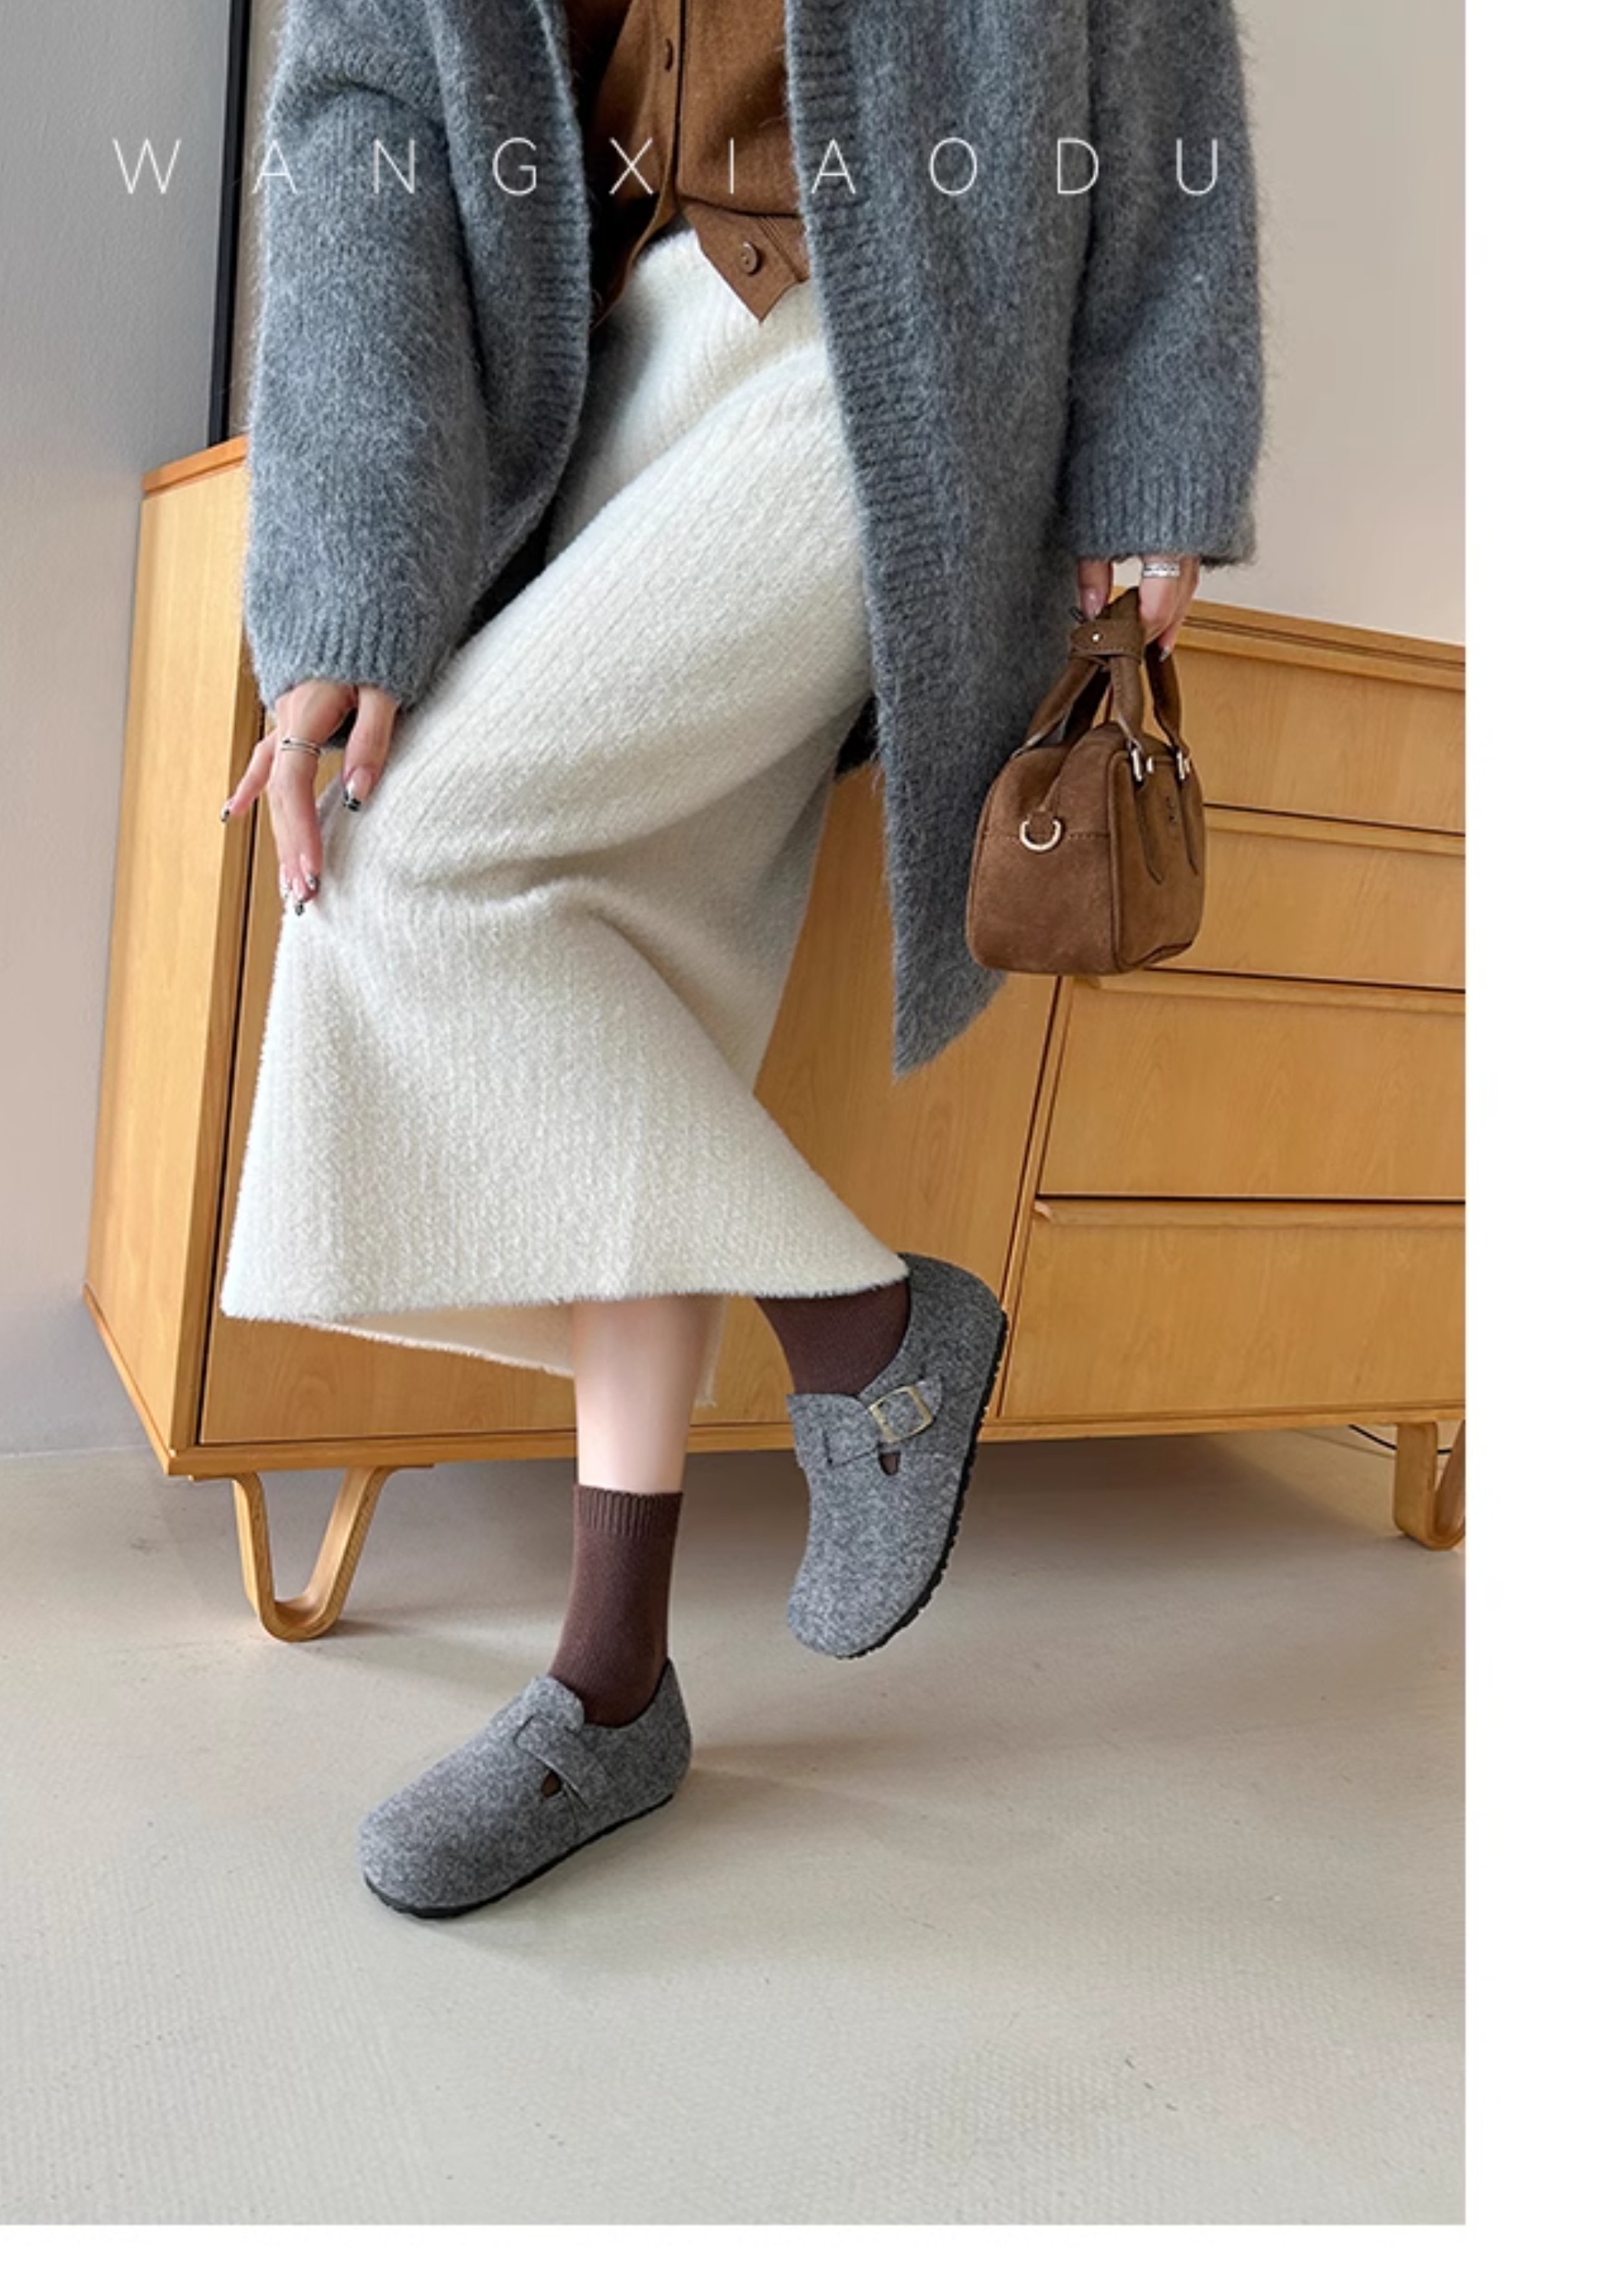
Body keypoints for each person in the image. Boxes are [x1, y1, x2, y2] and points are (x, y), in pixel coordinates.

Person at [218, 0, 1265, 1917]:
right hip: (602, 367)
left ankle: (865, 1334)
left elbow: (1155, 61)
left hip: (890, 357)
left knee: (410, 862)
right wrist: (347, 585)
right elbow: (369, 114)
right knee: (611, 963)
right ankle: (613, 1679)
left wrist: (1159, 465)